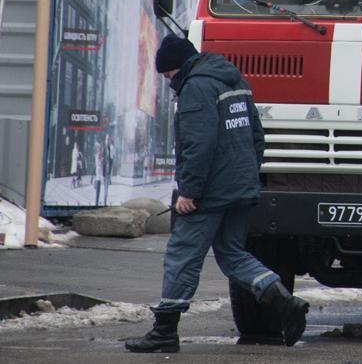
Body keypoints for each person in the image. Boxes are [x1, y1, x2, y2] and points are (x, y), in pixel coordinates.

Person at [125, 34, 309, 353]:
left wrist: (189, 191)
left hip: (209, 192)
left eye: (169, 76)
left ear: (179, 67)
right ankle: (283, 301)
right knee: (232, 254)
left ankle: (165, 330)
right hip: (240, 187)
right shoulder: (235, 82)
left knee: (182, 255)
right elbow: (256, 135)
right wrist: (246, 175)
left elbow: (200, 143)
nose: (170, 83)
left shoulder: (197, 87)